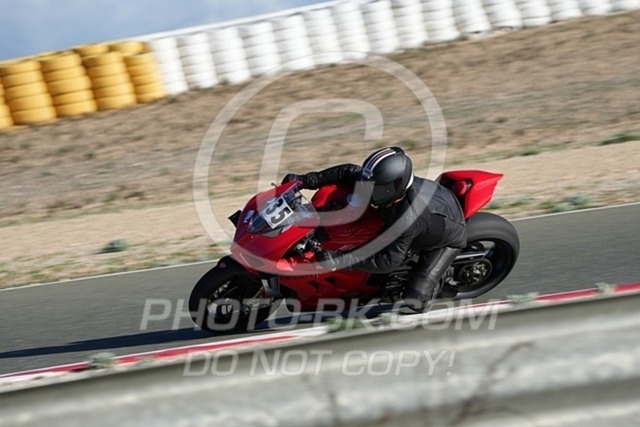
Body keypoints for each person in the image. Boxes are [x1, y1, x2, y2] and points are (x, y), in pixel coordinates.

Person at [282, 146, 467, 312]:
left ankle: (443, 277)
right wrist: (304, 180)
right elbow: (346, 172)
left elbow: (388, 262)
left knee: (415, 299)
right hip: (435, 205)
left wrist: (339, 259)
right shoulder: (376, 180)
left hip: (448, 236)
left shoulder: (408, 216)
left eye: (376, 189)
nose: (368, 191)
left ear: (396, 187)